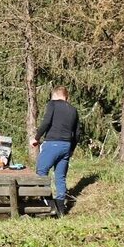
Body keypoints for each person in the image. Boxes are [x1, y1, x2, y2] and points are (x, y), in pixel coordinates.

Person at [31, 86, 80, 218]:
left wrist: (36, 138)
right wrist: (71, 149)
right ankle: (61, 209)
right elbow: (77, 133)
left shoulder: (52, 104)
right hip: (66, 146)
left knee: (41, 172)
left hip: (52, 143)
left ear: (55, 95)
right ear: (66, 96)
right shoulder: (73, 110)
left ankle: (49, 205)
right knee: (60, 177)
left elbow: (46, 122)